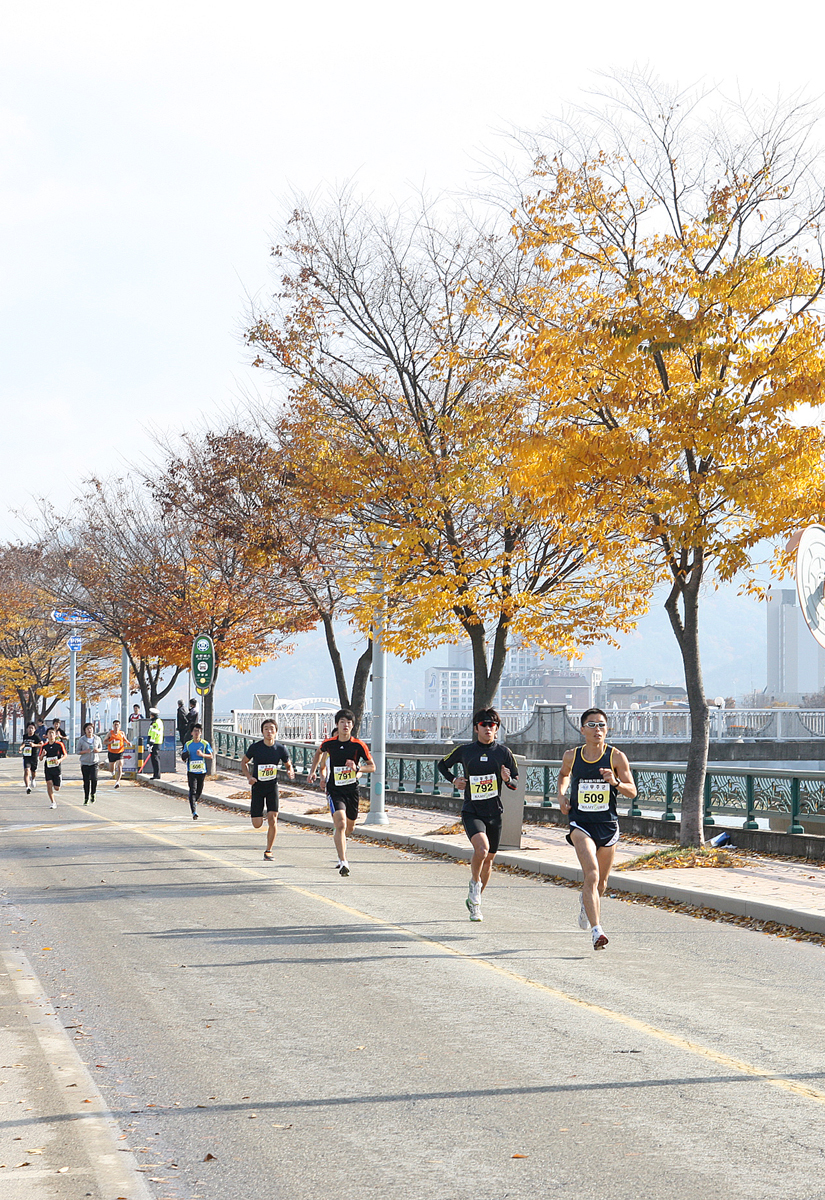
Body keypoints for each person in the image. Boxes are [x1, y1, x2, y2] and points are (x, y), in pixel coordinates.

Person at [557, 707, 637, 951]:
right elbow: (563, 775)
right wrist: (561, 796)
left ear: (607, 729)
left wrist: (615, 782)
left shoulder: (616, 757)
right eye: (591, 725)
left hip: (607, 824)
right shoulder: (572, 755)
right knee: (590, 873)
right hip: (580, 823)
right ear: (582, 730)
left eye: (601, 725)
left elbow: (632, 791)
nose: (597, 729)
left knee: (601, 884)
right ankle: (597, 931)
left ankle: (586, 902)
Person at [438, 708, 518, 922]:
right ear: (476, 728)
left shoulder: (504, 753)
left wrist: (507, 778)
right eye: (484, 725)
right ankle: (474, 885)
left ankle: (475, 903)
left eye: (492, 725)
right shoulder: (465, 751)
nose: (488, 728)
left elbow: (515, 783)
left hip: (494, 812)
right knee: (481, 850)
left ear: (497, 729)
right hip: (472, 810)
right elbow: (442, 764)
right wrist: (454, 780)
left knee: (489, 859)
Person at [307, 709, 374, 876]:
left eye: (349, 722)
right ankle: (344, 861)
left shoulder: (359, 745)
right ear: (337, 724)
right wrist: (313, 771)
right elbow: (318, 753)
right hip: (334, 790)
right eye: (342, 721)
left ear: (353, 725)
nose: (346, 725)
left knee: (349, 827)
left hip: (351, 790)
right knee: (341, 823)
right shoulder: (329, 743)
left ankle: (340, 839)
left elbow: (372, 767)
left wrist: (357, 768)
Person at [241, 719, 295, 859]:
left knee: (273, 819)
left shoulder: (280, 748)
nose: (269, 731)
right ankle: (258, 814)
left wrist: (290, 771)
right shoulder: (255, 747)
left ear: (276, 731)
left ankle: (268, 850)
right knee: (257, 824)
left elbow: (288, 764)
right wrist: (249, 777)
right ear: (262, 731)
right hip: (258, 787)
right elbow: (244, 762)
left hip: (272, 787)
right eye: (266, 729)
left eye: (272, 729)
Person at [182, 724, 213, 820]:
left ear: (201, 733)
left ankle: (194, 801)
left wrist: (202, 754)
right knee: (193, 790)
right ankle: (194, 811)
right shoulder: (188, 744)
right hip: (191, 771)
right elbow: (183, 756)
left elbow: (211, 756)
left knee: (199, 790)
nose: (196, 733)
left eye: (198, 731)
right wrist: (185, 756)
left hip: (201, 771)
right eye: (195, 731)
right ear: (192, 733)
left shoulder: (204, 744)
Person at [39, 727, 66, 809]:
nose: (51, 735)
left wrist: (59, 760)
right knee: (49, 784)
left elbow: (65, 755)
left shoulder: (59, 744)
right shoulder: (44, 746)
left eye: (52, 733)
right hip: (48, 768)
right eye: (49, 733)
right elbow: (40, 759)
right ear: (46, 735)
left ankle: (59, 781)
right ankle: (53, 802)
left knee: (57, 788)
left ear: (55, 735)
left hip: (57, 768)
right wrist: (43, 754)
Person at [77, 722, 103, 804]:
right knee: (86, 781)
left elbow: (100, 748)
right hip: (85, 763)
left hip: (94, 762)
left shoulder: (97, 739)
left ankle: (93, 793)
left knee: (94, 779)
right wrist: (85, 751)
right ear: (85, 730)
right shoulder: (81, 740)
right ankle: (86, 797)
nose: (89, 730)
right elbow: (78, 751)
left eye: (91, 728)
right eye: (87, 729)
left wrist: (97, 750)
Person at [105, 720, 131, 788]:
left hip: (120, 752)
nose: (116, 726)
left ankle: (117, 782)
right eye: (115, 725)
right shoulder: (110, 734)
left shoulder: (122, 733)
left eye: (117, 725)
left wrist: (128, 743)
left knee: (120, 766)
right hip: (112, 753)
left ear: (119, 726)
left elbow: (125, 740)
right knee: (111, 768)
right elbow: (104, 742)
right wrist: (110, 742)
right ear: (113, 726)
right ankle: (112, 772)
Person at [21, 722, 42, 794]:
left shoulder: (36, 737)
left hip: (34, 756)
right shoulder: (25, 736)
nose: (30, 729)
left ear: (35, 729)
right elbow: (23, 743)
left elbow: (41, 745)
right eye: (29, 728)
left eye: (32, 728)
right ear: (27, 729)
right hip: (26, 756)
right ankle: (27, 787)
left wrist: (34, 745)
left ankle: (33, 779)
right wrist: (20, 748)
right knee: (27, 770)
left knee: (34, 771)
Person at [147, 708, 164, 779]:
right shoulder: (158, 721)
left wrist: (151, 744)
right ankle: (156, 774)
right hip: (157, 742)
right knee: (155, 758)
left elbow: (154, 733)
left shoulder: (155, 723)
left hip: (155, 742)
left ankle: (156, 775)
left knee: (155, 758)